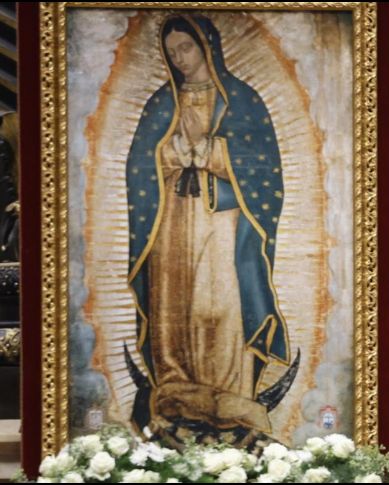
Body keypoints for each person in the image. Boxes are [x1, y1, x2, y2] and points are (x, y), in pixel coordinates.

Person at [125, 14, 291, 442]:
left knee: (217, 305)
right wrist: (174, 152)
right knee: (173, 306)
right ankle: (176, 391)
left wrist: (207, 149)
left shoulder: (240, 101)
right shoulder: (162, 103)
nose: (180, 58)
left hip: (222, 222)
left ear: (207, 46)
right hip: (172, 221)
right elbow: (141, 165)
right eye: (172, 52)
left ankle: (229, 395)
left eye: (187, 48)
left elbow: (264, 171)